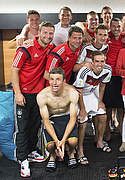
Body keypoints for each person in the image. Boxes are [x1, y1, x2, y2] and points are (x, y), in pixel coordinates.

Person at [12, 21, 55, 178]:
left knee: (35, 125)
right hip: (23, 94)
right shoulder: (26, 48)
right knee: (22, 129)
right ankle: (22, 159)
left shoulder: (50, 48)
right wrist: (17, 93)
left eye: (51, 34)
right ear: (39, 33)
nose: (48, 36)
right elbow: (14, 70)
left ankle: (30, 151)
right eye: (45, 33)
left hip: (39, 94)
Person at [37, 67, 79, 172]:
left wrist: (63, 141)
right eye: (52, 79)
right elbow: (46, 121)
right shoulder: (42, 96)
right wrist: (57, 141)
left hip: (67, 118)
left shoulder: (72, 93)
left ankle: (71, 153)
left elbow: (73, 118)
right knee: (50, 145)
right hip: (52, 119)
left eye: (58, 79)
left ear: (64, 81)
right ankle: (52, 155)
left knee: (73, 141)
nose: (54, 83)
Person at [74, 51, 112, 165]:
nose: (100, 64)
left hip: (91, 94)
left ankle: (100, 142)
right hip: (79, 95)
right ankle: (80, 151)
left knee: (103, 115)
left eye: (102, 61)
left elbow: (103, 86)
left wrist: (100, 101)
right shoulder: (84, 70)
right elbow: (79, 91)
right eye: (97, 61)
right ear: (92, 62)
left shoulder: (108, 70)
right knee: (83, 121)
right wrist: (83, 110)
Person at [103, 18, 125, 142]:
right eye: (114, 26)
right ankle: (107, 132)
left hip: (122, 76)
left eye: (119, 26)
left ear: (122, 27)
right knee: (108, 107)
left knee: (121, 107)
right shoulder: (106, 38)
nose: (116, 28)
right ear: (110, 27)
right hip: (108, 76)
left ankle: (122, 131)